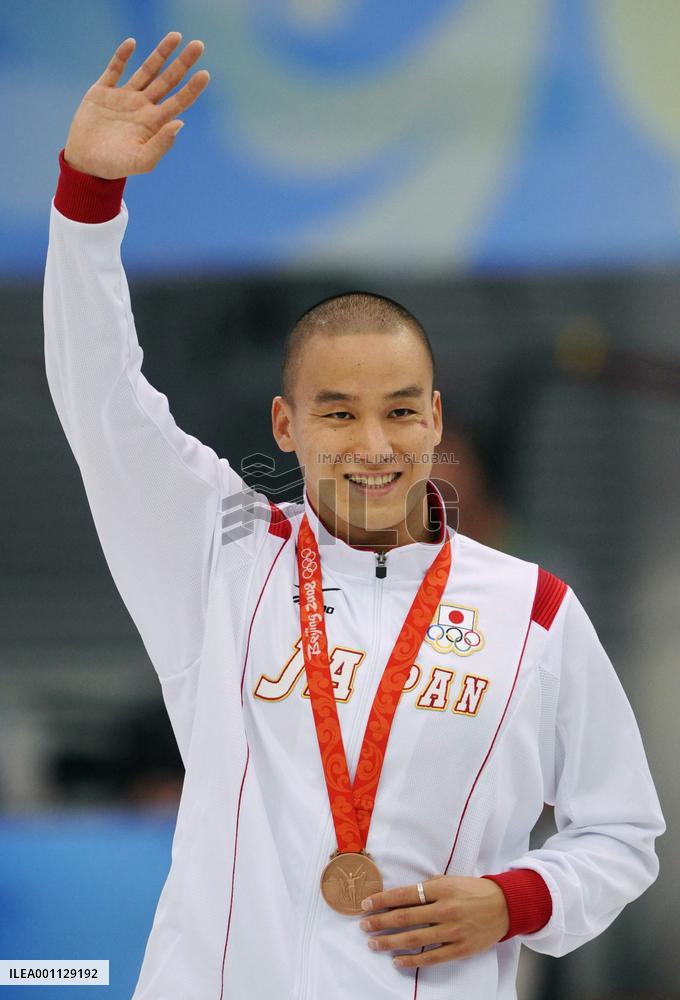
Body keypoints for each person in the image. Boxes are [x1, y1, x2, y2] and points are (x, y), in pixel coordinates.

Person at [43, 32, 665, 1000]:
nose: (372, 444)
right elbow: (102, 401)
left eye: (399, 411)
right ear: (285, 426)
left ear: (435, 420)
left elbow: (621, 834)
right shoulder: (219, 554)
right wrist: (87, 199)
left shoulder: (533, 612)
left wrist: (515, 899)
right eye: (337, 412)